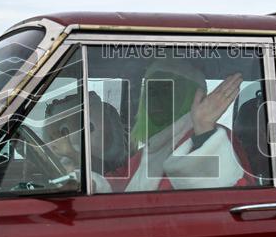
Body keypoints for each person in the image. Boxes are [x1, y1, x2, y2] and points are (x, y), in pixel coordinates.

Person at [105, 59, 251, 192]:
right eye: (151, 92)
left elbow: (231, 195)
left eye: (166, 90)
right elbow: (116, 183)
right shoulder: (149, 150)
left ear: (189, 96)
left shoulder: (214, 137)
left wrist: (204, 131)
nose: (155, 99)